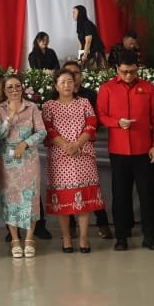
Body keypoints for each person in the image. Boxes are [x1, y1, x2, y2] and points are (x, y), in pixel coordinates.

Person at [96, 59, 154, 251]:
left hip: (144, 150)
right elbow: (101, 115)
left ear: (137, 69)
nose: (128, 75)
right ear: (117, 69)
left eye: (132, 71)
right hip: (119, 151)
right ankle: (121, 236)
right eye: (124, 71)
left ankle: (150, 235)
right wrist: (116, 122)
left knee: (148, 194)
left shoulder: (147, 87)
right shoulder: (107, 88)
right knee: (120, 195)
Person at [47, 67, 108, 252]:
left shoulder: (84, 102)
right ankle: (66, 238)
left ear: (75, 85)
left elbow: (91, 125)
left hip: (83, 156)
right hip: (60, 158)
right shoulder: (49, 105)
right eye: (63, 82)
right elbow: (49, 128)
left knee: (84, 199)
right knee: (63, 199)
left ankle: (83, 238)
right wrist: (66, 145)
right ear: (56, 86)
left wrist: (77, 144)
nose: (67, 85)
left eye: (70, 82)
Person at [0, 74, 48, 258]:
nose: (14, 90)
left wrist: (25, 143)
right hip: (8, 162)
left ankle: (30, 238)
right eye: (10, 87)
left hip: (29, 158)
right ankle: (15, 239)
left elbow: (42, 132)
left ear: (22, 87)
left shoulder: (32, 107)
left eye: (17, 86)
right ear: (4, 90)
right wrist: (9, 117)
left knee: (31, 197)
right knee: (10, 198)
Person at [62, 58, 113, 240]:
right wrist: (67, 144)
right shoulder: (56, 96)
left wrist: (81, 140)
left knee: (91, 187)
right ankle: (71, 226)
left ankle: (102, 223)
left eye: (76, 73)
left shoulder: (90, 95)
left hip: (85, 146)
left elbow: (96, 120)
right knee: (67, 187)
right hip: (64, 149)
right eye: (68, 73)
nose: (72, 77)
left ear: (81, 75)